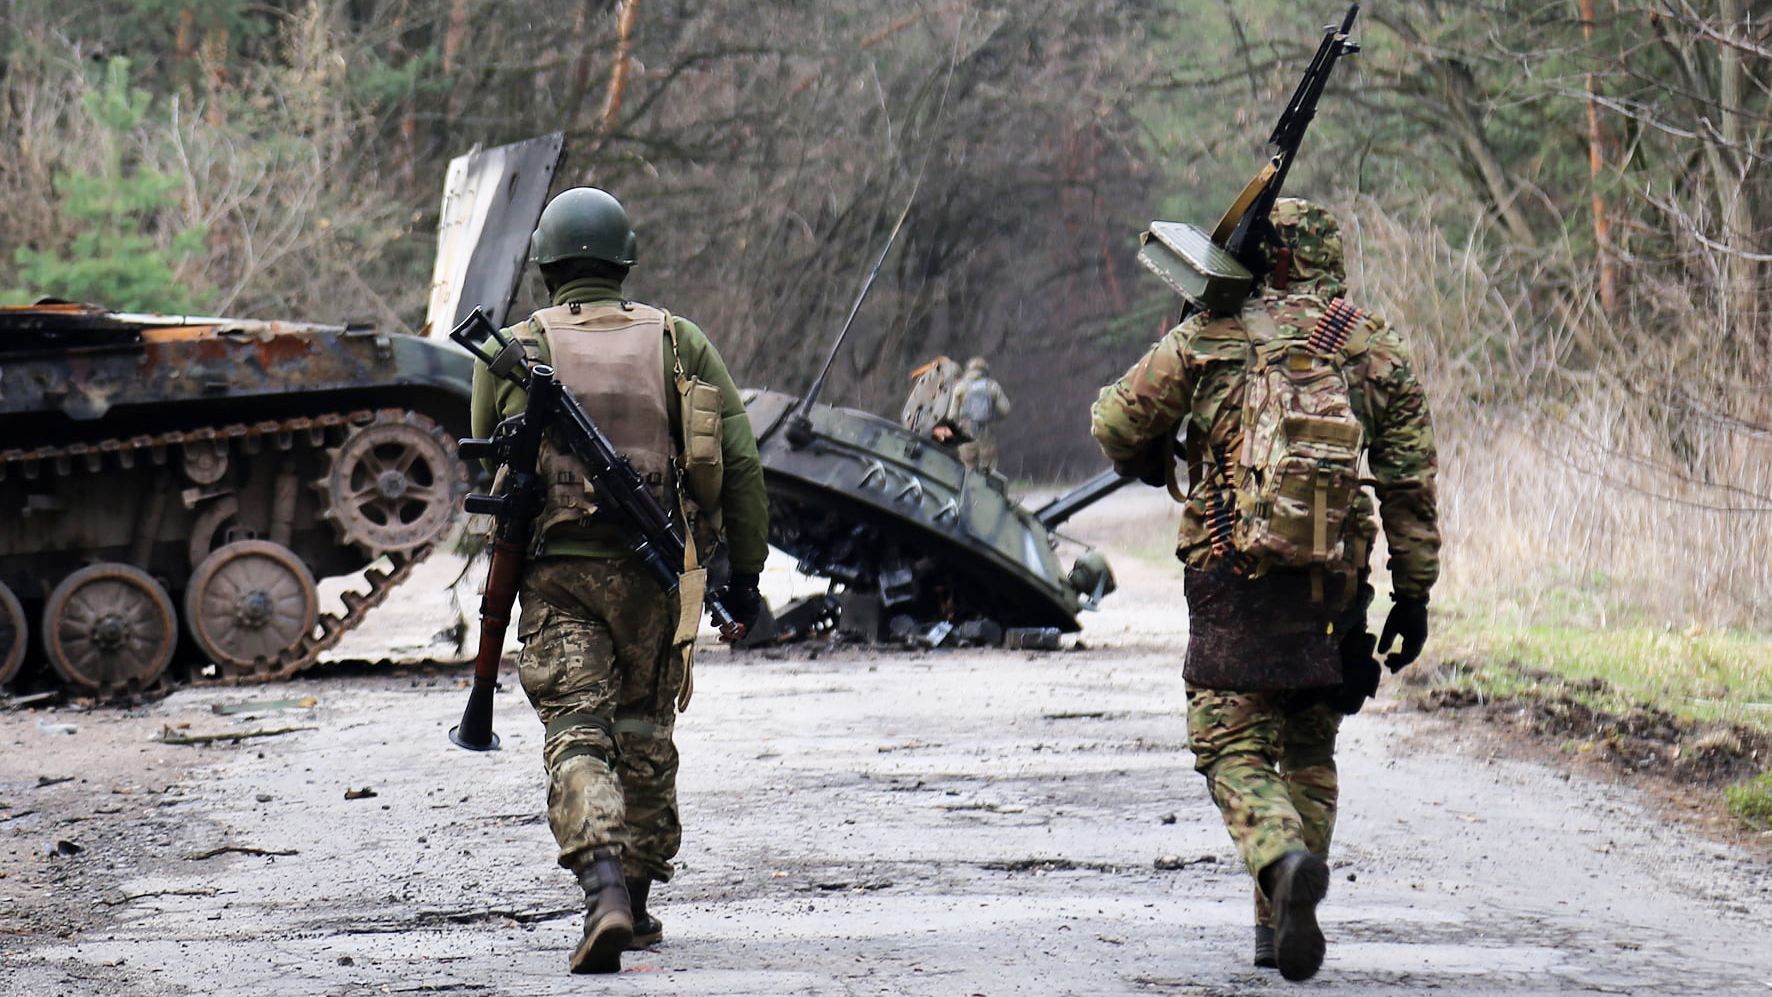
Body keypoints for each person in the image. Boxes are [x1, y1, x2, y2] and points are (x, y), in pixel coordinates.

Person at [1089, 198, 1439, 982]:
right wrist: (1413, 592)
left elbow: (1114, 421)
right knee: (1310, 746)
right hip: (1334, 589)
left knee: (1228, 743)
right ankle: (1279, 909)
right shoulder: (1371, 343)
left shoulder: (1210, 334)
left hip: (1231, 578)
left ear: (1263, 256)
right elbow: (1408, 478)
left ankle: (1279, 859)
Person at [468, 186, 768, 974]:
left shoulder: (514, 350)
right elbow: (739, 465)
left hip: (559, 578)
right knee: (643, 730)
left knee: (577, 731)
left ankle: (600, 885)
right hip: (658, 576)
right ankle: (632, 901)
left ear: (547, 267)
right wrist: (746, 573)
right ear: (625, 261)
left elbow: (490, 471)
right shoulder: (680, 342)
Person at [947, 356, 1012, 472]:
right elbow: (1006, 409)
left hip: (966, 432)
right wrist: (993, 418)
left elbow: (952, 415)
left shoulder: (961, 387)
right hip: (985, 431)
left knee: (968, 466)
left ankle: (969, 488)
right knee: (988, 468)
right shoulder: (992, 386)